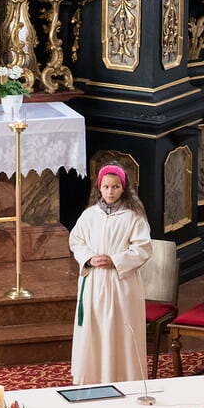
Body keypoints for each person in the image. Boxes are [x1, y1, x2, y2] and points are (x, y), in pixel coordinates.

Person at [69, 163, 152, 385]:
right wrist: (89, 258)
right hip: (94, 281)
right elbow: (76, 241)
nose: (110, 191)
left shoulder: (134, 216)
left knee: (119, 330)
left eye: (115, 187)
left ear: (123, 188)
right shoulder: (89, 215)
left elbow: (143, 248)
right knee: (94, 329)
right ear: (99, 187)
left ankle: (124, 378)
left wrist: (115, 260)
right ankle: (93, 378)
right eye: (106, 186)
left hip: (121, 283)